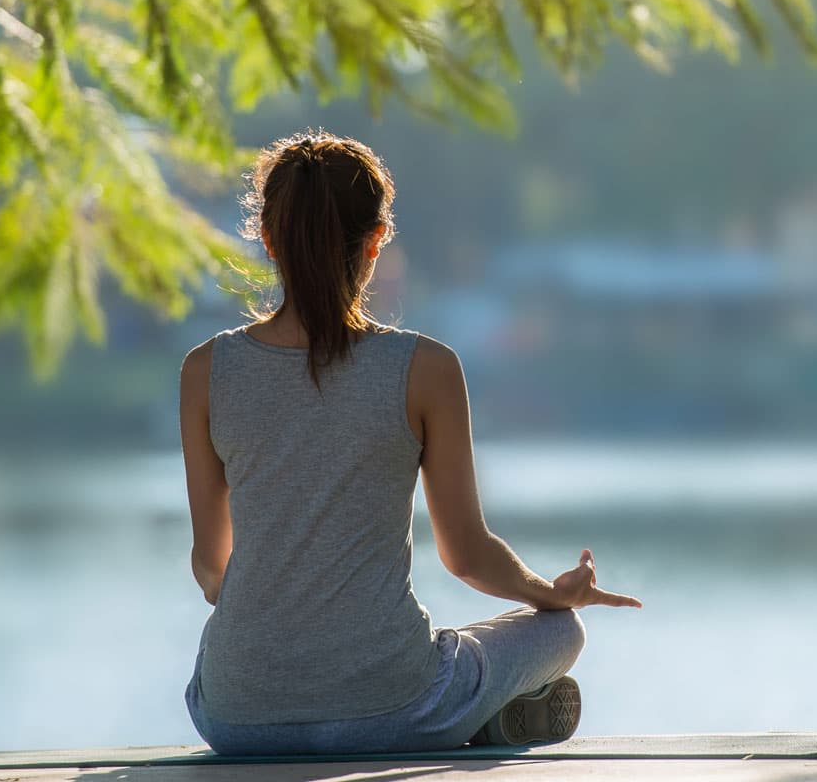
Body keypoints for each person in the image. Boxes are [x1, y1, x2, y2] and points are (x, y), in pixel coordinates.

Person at [180, 130, 642, 756]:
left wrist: (272, 613)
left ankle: (469, 718)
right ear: (377, 242)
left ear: (266, 240)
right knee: (563, 633)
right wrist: (553, 595)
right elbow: (468, 557)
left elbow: (211, 566)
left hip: (237, 721)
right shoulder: (426, 368)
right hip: (395, 708)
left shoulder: (206, 371)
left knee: (224, 661)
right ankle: (476, 718)